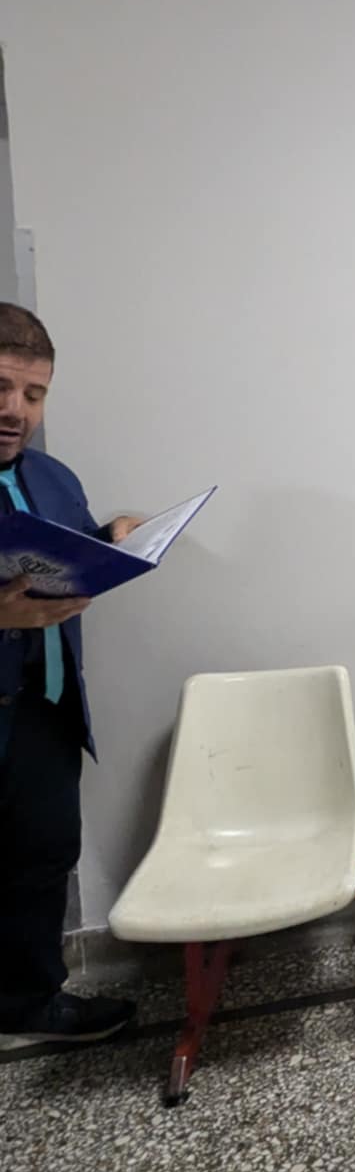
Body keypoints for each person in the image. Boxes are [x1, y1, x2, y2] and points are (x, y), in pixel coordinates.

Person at [0, 304, 140, 1048]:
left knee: (42, 857)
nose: (15, 411)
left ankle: (30, 1000)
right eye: (1, 388)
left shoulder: (53, 478)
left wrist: (114, 538)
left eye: (34, 394)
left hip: (45, 710)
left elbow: (70, 554)